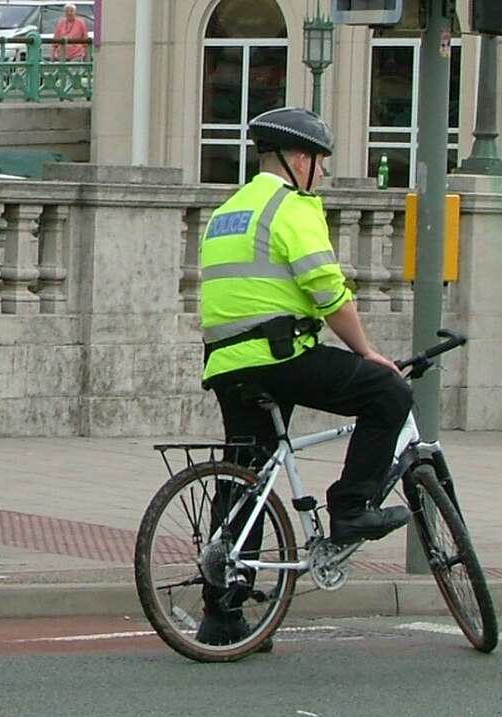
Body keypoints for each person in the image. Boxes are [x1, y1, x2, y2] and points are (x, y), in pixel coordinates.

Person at [197, 107, 413, 646]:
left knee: (248, 473)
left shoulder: (228, 211)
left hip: (227, 363)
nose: (322, 175)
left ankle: (222, 616)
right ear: (299, 161)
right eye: (321, 164)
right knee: (388, 392)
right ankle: (351, 508)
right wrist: (366, 351)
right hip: (282, 356)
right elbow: (327, 291)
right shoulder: (292, 206)